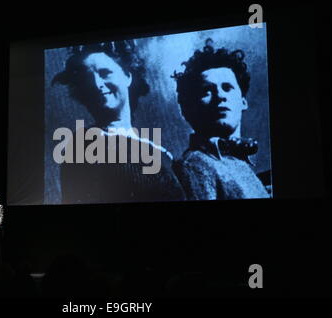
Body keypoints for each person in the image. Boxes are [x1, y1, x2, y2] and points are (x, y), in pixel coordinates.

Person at [52, 40, 185, 204]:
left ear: (127, 76)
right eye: (87, 78)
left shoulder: (162, 153)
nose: (96, 84)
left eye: (105, 73)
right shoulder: (82, 147)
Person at [172, 38, 270, 200]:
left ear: (243, 101)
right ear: (188, 109)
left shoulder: (239, 163)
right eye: (206, 91)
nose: (220, 96)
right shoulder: (194, 165)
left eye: (227, 87)